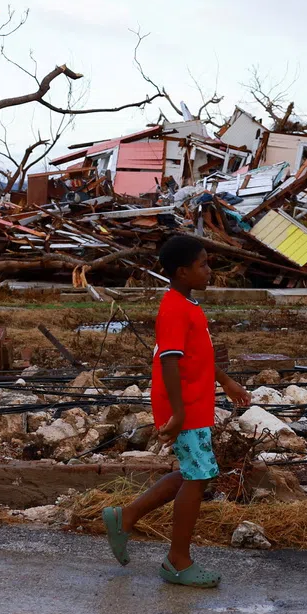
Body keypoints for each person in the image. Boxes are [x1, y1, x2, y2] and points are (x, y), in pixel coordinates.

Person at [101, 235, 251, 587]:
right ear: (183, 272)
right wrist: (179, 412)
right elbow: (169, 361)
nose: (210, 271)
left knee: (193, 474)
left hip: (195, 403)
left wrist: (226, 381)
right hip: (184, 407)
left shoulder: (187, 304)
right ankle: (177, 561)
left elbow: (197, 355)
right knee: (198, 478)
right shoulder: (173, 308)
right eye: (203, 265)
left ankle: (126, 517)